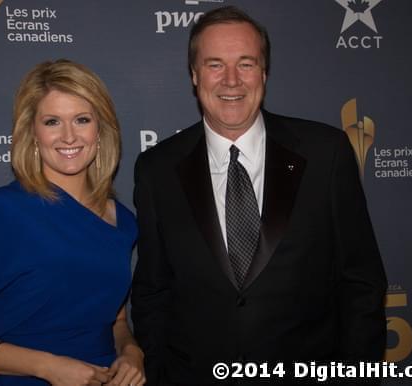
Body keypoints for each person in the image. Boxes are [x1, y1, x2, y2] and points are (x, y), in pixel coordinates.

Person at [131, 6, 387, 385]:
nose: (231, 80)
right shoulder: (157, 169)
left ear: (264, 73)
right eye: (215, 64)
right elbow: (153, 292)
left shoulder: (325, 153)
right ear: (194, 75)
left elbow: (361, 283)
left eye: (246, 64)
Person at [0, 59, 145, 386]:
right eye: (52, 121)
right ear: (32, 132)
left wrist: (131, 352)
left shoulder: (123, 221)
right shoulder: (1, 211)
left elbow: (114, 321)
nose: (69, 136)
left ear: (101, 130)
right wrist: (48, 367)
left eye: (82, 119)